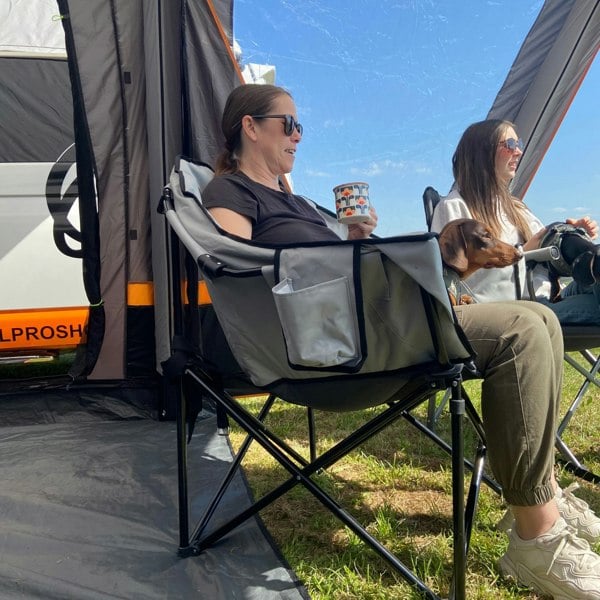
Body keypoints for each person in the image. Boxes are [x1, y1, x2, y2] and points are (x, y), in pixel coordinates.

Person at [202, 84, 600, 598]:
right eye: (289, 123)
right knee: (522, 329)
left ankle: (537, 495)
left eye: (300, 125)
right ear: (249, 127)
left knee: (539, 319)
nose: (299, 135)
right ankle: (536, 540)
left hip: (365, 327)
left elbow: (331, 272)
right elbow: (237, 266)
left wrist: (355, 241)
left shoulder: (294, 200)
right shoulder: (228, 193)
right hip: (322, 349)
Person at [431, 118, 600, 325]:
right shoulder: (455, 208)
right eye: (510, 145)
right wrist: (521, 252)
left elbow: (549, 247)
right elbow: (456, 285)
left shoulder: (515, 207)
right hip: (519, 310)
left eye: (518, 144)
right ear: (482, 153)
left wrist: (576, 238)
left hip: (552, 294)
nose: (518, 151)